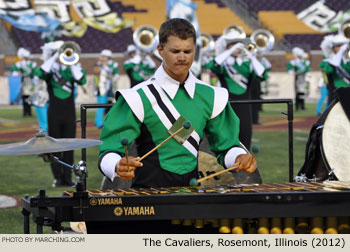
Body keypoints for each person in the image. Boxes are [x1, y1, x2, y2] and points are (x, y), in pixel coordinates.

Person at [94, 18, 256, 234]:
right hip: (147, 202)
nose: (182, 57)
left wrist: (237, 157)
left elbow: (226, 146)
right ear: (160, 49)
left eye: (188, 51)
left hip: (192, 198)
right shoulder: (137, 97)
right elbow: (108, 151)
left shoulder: (211, 96)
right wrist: (116, 164)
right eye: (175, 51)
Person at [34, 41, 87, 187]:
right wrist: (54, 57)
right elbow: (38, 72)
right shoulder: (51, 71)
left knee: (69, 146)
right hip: (54, 113)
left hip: (69, 113)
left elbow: (81, 79)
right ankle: (57, 177)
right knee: (54, 147)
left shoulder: (72, 70)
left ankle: (68, 177)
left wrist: (73, 62)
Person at [206, 31, 269, 150]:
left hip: (246, 106)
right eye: (232, 44)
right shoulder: (223, 64)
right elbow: (213, 65)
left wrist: (251, 56)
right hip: (228, 105)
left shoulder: (247, 64)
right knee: (227, 137)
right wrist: (229, 51)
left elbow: (262, 75)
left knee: (245, 136)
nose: (236, 47)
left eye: (238, 44)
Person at [320, 34, 350, 105]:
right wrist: (337, 57)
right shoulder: (327, 61)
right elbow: (329, 70)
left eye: (343, 46)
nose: (341, 48)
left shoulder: (346, 61)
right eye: (338, 46)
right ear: (333, 48)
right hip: (336, 93)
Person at [93, 49, 119, 128]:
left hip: (110, 89)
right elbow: (96, 72)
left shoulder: (113, 65)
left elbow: (115, 75)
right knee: (101, 106)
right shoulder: (98, 65)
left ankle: (101, 121)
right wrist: (103, 65)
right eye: (102, 56)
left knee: (109, 106)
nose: (103, 58)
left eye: (105, 57)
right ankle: (99, 123)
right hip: (101, 88)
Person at [10, 48, 36, 117]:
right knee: (24, 98)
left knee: (29, 98)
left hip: (29, 80)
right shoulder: (20, 64)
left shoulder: (32, 64)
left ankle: (29, 113)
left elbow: (35, 73)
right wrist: (18, 74)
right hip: (24, 80)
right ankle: (25, 113)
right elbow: (13, 71)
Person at [287, 47, 311, 111]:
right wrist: (294, 73)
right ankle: (297, 107)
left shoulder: (305, 62)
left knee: (303, 92)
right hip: (297, 78)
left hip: (303, 78)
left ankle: (302, 106)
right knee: (297, 92)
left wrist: (307, 74)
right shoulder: (294, 62)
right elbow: (289, 69)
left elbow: (308, 70)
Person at [251, 52, 272, 124]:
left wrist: (262, 57)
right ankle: (249, 119)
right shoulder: (246, 61)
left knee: (256, 102)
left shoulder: (259, 63)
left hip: (257, 83)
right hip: (248, 83)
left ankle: (255, 119)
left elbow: (268, 67)